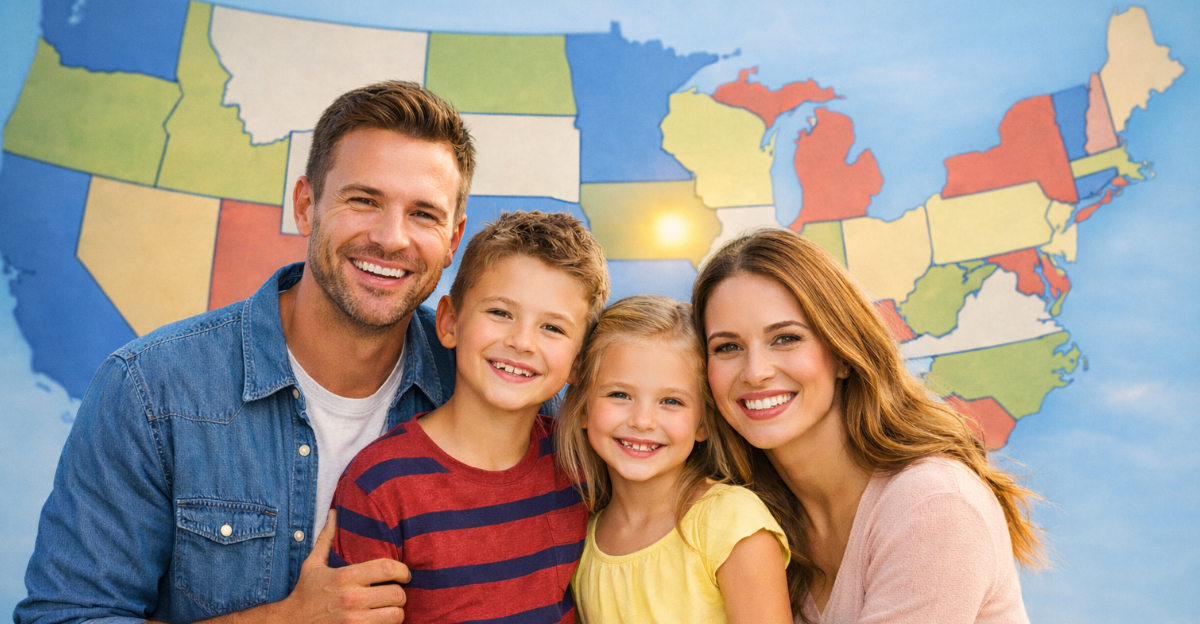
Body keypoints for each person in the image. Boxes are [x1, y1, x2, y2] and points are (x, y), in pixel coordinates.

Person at [16, 81, 556, 624]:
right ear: (306, 205)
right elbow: (67, 615)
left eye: (423, 214)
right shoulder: (149, 390)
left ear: (453, 239)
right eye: (363, 200)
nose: (392, 238)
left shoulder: (505, 388)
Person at [692, 229, 1043, 624]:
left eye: (786, 338)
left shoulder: (933, 504)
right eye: (727, 347)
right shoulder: (746, 518)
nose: (755, 372)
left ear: (843, 353)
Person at [329, 211, 609, 623]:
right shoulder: (381, 485)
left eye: (552, 328)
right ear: (449, 323)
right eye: (500, 313)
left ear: (578, 365)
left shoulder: (581, 466)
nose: (521, 342)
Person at [557, 295, 792, 624]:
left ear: (703, 423)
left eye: (670, 401)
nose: (642, 420)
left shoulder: (731, 522)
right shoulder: (581, 540)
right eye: (619, 395)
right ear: (583, 407)